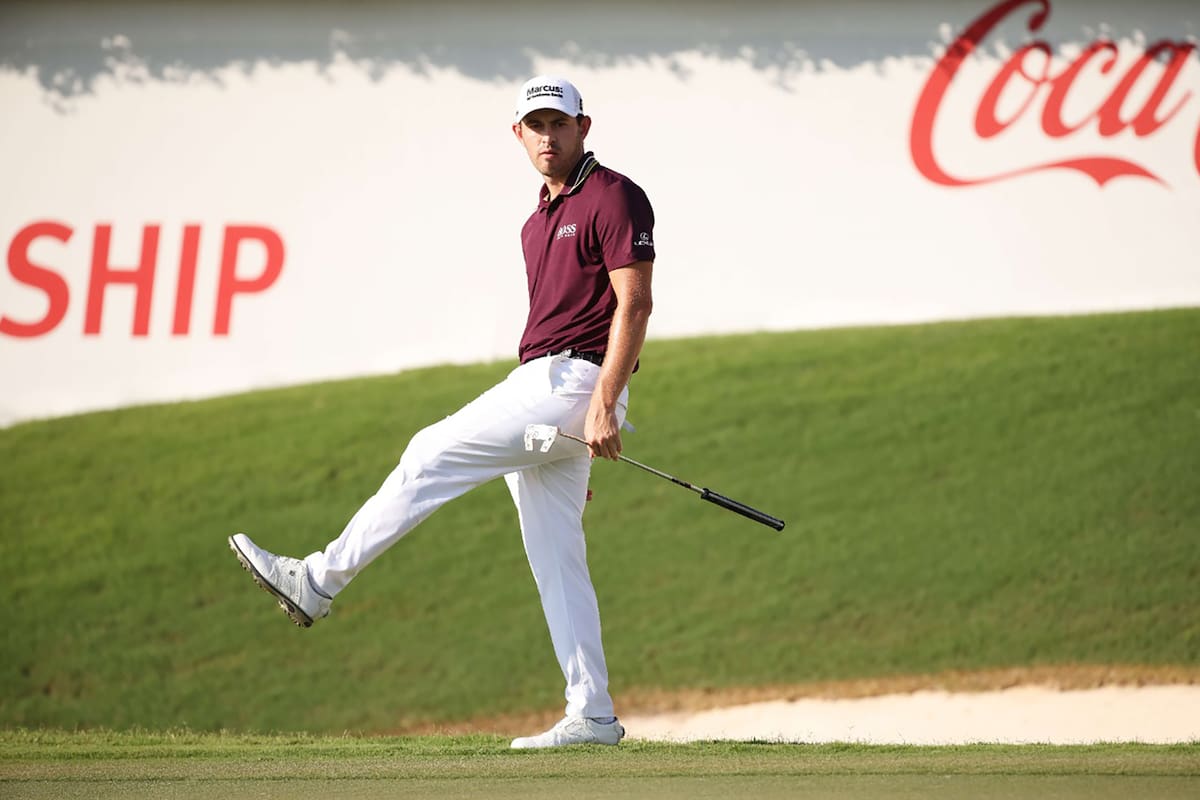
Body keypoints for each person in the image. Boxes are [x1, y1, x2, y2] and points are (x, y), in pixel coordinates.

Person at [228, 75, 656, 749]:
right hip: (550, 398)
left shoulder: (612, 196)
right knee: (556, 558)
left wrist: (600, 406)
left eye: (559, 123)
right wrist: (559, 441)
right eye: (535, 125)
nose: (548, 136)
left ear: (584, 127)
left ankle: (318, 579)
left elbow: (634, 305)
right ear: (517, 134)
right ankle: (593, 713)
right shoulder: (533, 223)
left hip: (572, 381)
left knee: (429, 450)